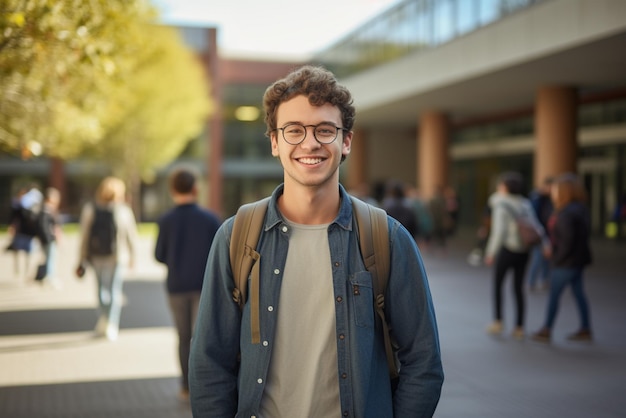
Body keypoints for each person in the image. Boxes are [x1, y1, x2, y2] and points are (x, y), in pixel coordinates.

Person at [189, 65, 444, 417]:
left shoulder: (387, 238)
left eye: (325, 130)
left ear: (346, 141)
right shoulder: (237, 238)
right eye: (294, 130)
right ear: (275, 142)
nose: (310, 143)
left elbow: (423, 361)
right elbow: (209, 361)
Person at [154, 168, 222, 402]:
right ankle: (204, 385)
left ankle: (185, 385)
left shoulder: (165, 220)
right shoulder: (211, 219)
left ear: (173, 190)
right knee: (203, 337)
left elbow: (159, 255)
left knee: (183, 337)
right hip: (205, 286)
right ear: (196, 189)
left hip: (176, 286)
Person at [483, 171, 547, 340]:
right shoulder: (525, 203)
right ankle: (519, 327)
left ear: (504, 187)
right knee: (518, 288)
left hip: (507, 250)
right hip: (524, 251)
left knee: (498, 285)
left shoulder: (500, 204)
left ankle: (498, 321)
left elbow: (499, 232)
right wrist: (546, 243)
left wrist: (490, 252)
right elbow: (536, 225)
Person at [532, 173, 593, 343]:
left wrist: (556, 257)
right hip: (577, 260)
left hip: (566, 262)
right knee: (579, 293)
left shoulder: (567, 213)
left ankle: (547, 329)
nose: (553, 192)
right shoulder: (579, 208)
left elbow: (567, 241)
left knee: (554, 295)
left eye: (556, 189)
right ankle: (585, 328)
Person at [77, 176, 138, 341]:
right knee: (113, 290)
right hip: (117, 256)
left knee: (101, 290)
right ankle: (111, 323)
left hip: (97, 256)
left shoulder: (91, 209)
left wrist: (81, 257)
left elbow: (84, 235)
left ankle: (104, 320)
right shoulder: (123, 210)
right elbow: (131, 235)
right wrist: (133, 255)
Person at [526, 176, 554, 291]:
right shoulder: (537, 198)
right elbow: (533, 217)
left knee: (546, 258)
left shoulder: (548, 198)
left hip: (548, 232)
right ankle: (531, 281)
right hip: (539, 232)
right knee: (538, 257)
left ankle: (544, 279)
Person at [37, 187, 63, 287]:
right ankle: (50, 278)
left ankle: (49, 277)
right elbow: (43, 226)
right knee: (50, 259)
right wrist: (49, 238)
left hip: (50, 239)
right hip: (48, 239)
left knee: (50, 259)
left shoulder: (50, 209)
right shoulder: (46, 210)